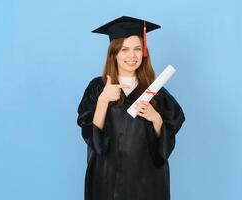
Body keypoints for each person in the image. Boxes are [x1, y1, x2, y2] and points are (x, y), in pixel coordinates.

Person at [77, 16, 185, 200]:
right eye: (124, 49)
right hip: (107, 177)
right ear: (114, 53)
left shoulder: (156, 91)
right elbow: (92, 139)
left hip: (147, 180)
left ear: (144, 52)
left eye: (137, 49)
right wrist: (103, 101)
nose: (131, 55)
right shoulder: (97, 88)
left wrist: (156, 118)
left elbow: (166, 143)